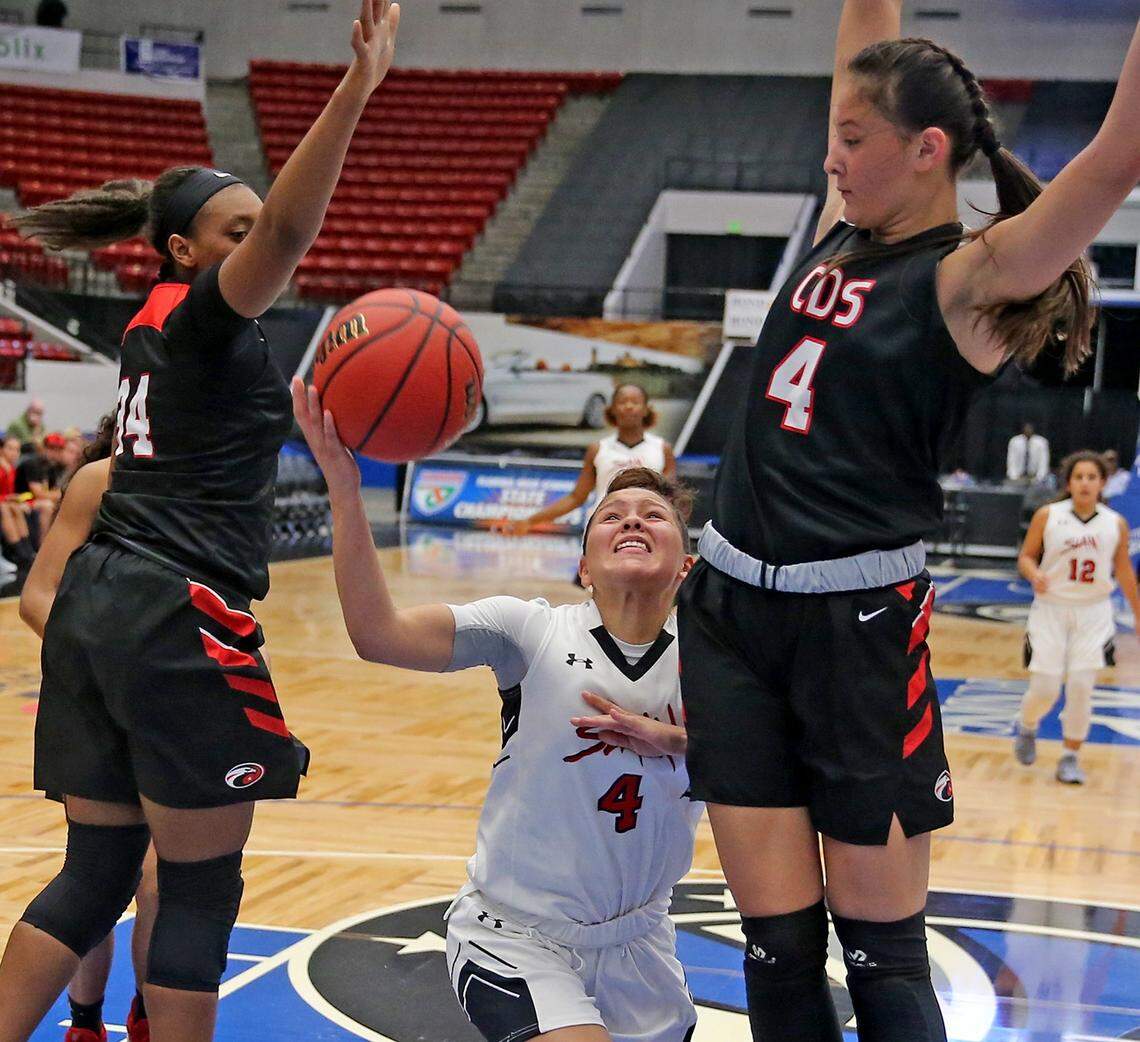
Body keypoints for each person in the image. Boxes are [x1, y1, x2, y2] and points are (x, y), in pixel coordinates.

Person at [676, 1, 1136, 1039]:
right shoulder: (844, 224)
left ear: (926, 151)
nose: (831, 154)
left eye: (851, 138)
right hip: (728, 619)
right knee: (776, 951)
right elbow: (866, 38)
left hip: (858, 636)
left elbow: (1116, 159)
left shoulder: (969, 280)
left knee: (883, 962)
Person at [0, 4, 400, 1041]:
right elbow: (291, 230)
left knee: (93, 871)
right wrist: (355, 89)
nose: (258, 241)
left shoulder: (150, 326)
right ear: (184, 248)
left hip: (104, 604)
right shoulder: (208, 314)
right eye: (234, 228)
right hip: (179, 609)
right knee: (201, 881)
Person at [295, 378, 699, 1042]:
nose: (631, 517)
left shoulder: (717, 665)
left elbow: (785, 762)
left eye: (653, 515)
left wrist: (674, 742)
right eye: (611, 513)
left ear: (684, 564)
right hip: (517, 939)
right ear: (584, 566)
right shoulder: (527, 631)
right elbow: (377, 634)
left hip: (641, 944)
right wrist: (345, 486)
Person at [17, 416, 157, 1042]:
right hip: (99, 698)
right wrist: (105, 666)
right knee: (101, 876)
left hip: (170, 703)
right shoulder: (99, 486)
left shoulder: (208, 494)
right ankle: (85, 1022)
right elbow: (36, 597)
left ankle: (147, 1018)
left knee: (161, 880)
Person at [1013, 451, 1140, 785]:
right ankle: (1027, 724)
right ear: (1069, 482)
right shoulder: (1048, 515)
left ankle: (1070, 756)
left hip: (1094, 611)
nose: (1085, 483)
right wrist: (1034, 573)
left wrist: (1139, 614)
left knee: (1082, 687)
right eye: (1079, 477)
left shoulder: (1115, 523)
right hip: (1051, 609)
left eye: (1092, 477)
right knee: (1045, 688)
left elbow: (1125, 571)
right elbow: (1025, 557)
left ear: (1103, 482)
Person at [504, 383, 676, 535]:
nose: (629, 406)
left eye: (635, 402)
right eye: (623, 402)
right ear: (613, 409)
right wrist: (530, 521)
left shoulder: (662, 449)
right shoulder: (598, 449)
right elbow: (576, 497)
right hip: (603, 529)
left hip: (646, 530)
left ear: (646, 409)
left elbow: (670, 499)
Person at [14, 431, 68, 545]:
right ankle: (43, 546)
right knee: (47, 506)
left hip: (35, 500)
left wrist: (58, 495)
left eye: (58, 449)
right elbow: (38, 493)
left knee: (61, 504)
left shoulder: (52, 466)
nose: (54, 452)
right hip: (20, 499)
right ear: (43, 447)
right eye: (51, 448)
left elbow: (53, 491)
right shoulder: (33, 464)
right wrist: (59, 495)